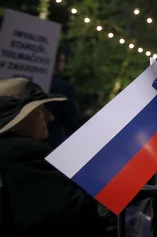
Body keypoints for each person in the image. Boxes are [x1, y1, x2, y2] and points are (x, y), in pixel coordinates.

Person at [0, 77, 106, 236]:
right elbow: (67, 213)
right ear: (20, 119)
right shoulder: (21, 151)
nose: (50, 117)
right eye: (40, 110)